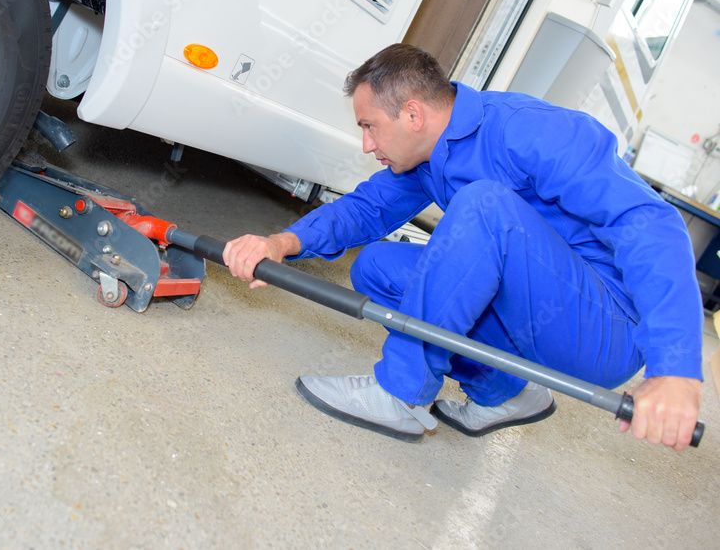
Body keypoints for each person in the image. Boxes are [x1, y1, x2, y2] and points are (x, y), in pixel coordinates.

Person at [223, 44, 703, 451]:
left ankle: (402, 394)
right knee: (377, 268)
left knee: (485, 206)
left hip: (606, 327)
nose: (367, 145)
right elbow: (366, 209)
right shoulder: (425, 155)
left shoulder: (526, 130)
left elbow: (650, 223)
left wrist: (675, 368)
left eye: (370, 126)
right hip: (529, 310)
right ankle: (504, 392)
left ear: (413, 114)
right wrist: (280, 242)